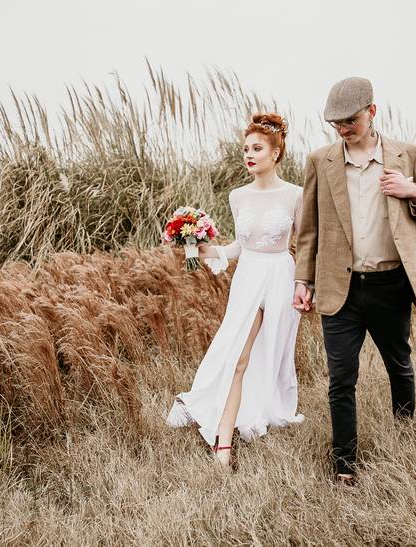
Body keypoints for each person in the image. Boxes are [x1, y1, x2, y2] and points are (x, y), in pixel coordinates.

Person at [293, 77, 416, 483]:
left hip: (390, 284)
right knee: (341, 378)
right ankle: (344, 466)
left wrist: (411, 189)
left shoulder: (409, 154)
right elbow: (308, 229)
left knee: (399, 364)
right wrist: (302, 280)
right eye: (336, 123)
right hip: (339, 288)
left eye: (351, 120)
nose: (344, 129)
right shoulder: (319, 161)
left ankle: (405, 441)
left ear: (373, 112)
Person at [167, 113, 305, 469]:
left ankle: (228, 431)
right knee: (239, 352)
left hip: (277, 277)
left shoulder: (295, 195)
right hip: (247, 278)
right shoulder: (237, 196)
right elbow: (240, 248)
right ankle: (223, 438)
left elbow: (304, 246)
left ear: (276, 153)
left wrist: (306, 285)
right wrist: (196, 247)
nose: (249, 154)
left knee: (256, 352)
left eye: (257, 148)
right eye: (245, 148)